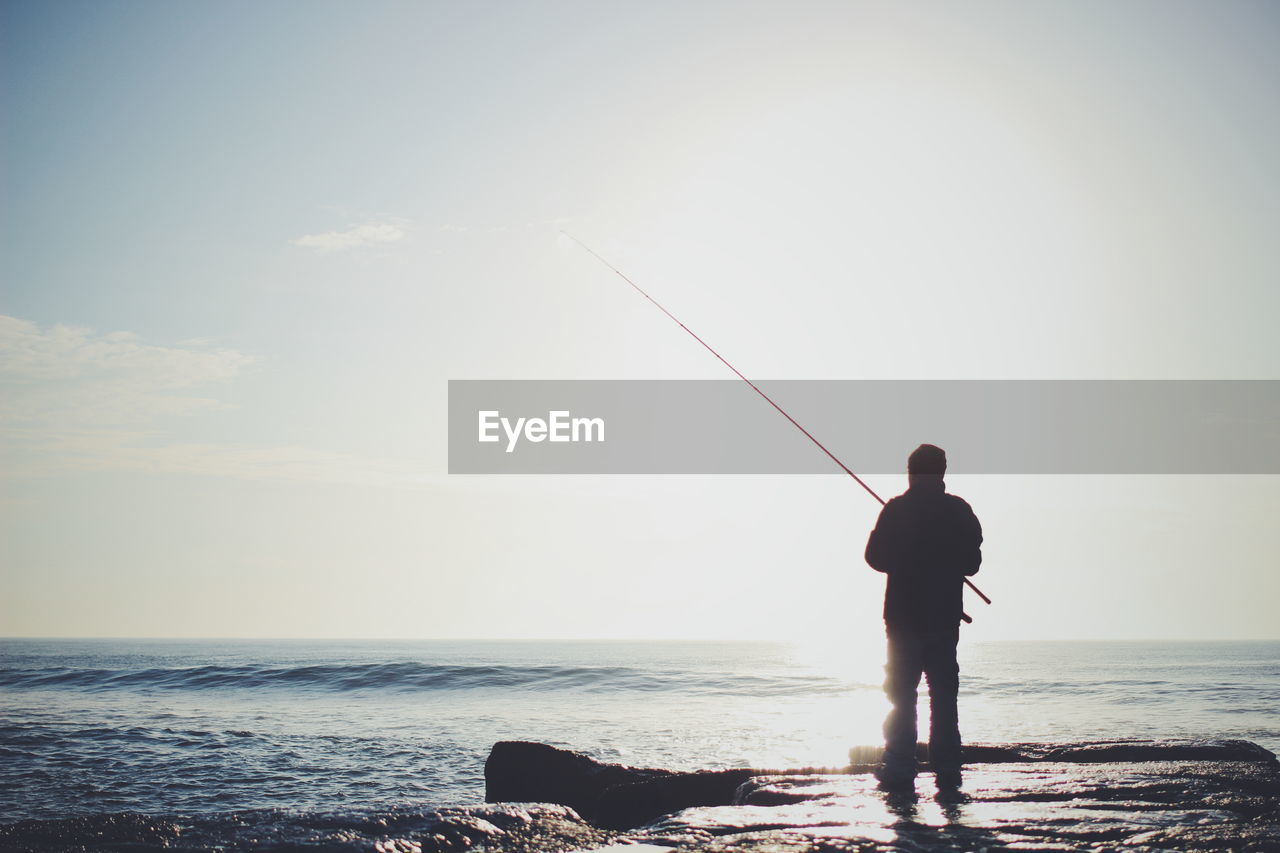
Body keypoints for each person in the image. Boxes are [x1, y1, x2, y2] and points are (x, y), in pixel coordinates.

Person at [864, 443, 982, 790]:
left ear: (911, 472)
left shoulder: (896, 509)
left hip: (903, 618)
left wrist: (906, 553)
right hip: (943, 619)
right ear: (942, 473)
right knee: (943, 696)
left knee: (902, 695)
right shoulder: (959, 510)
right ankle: (947, 769)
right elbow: (972, 564)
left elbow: (874, 558)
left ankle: (900, 768)